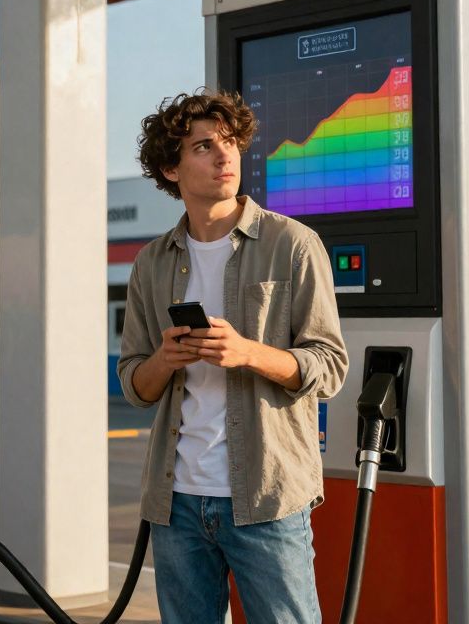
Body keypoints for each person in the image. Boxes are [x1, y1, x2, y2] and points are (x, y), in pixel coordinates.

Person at [117, 89, 348, 623]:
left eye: (230, 143)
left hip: (266, 497)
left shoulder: (293, 244)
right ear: (171, 170)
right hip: (176, 502)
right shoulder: (152, 262)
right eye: (203, 147)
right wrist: (165, 360)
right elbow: (135, 383)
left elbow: (330, 365)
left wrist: (248, 353)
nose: (224, 156)